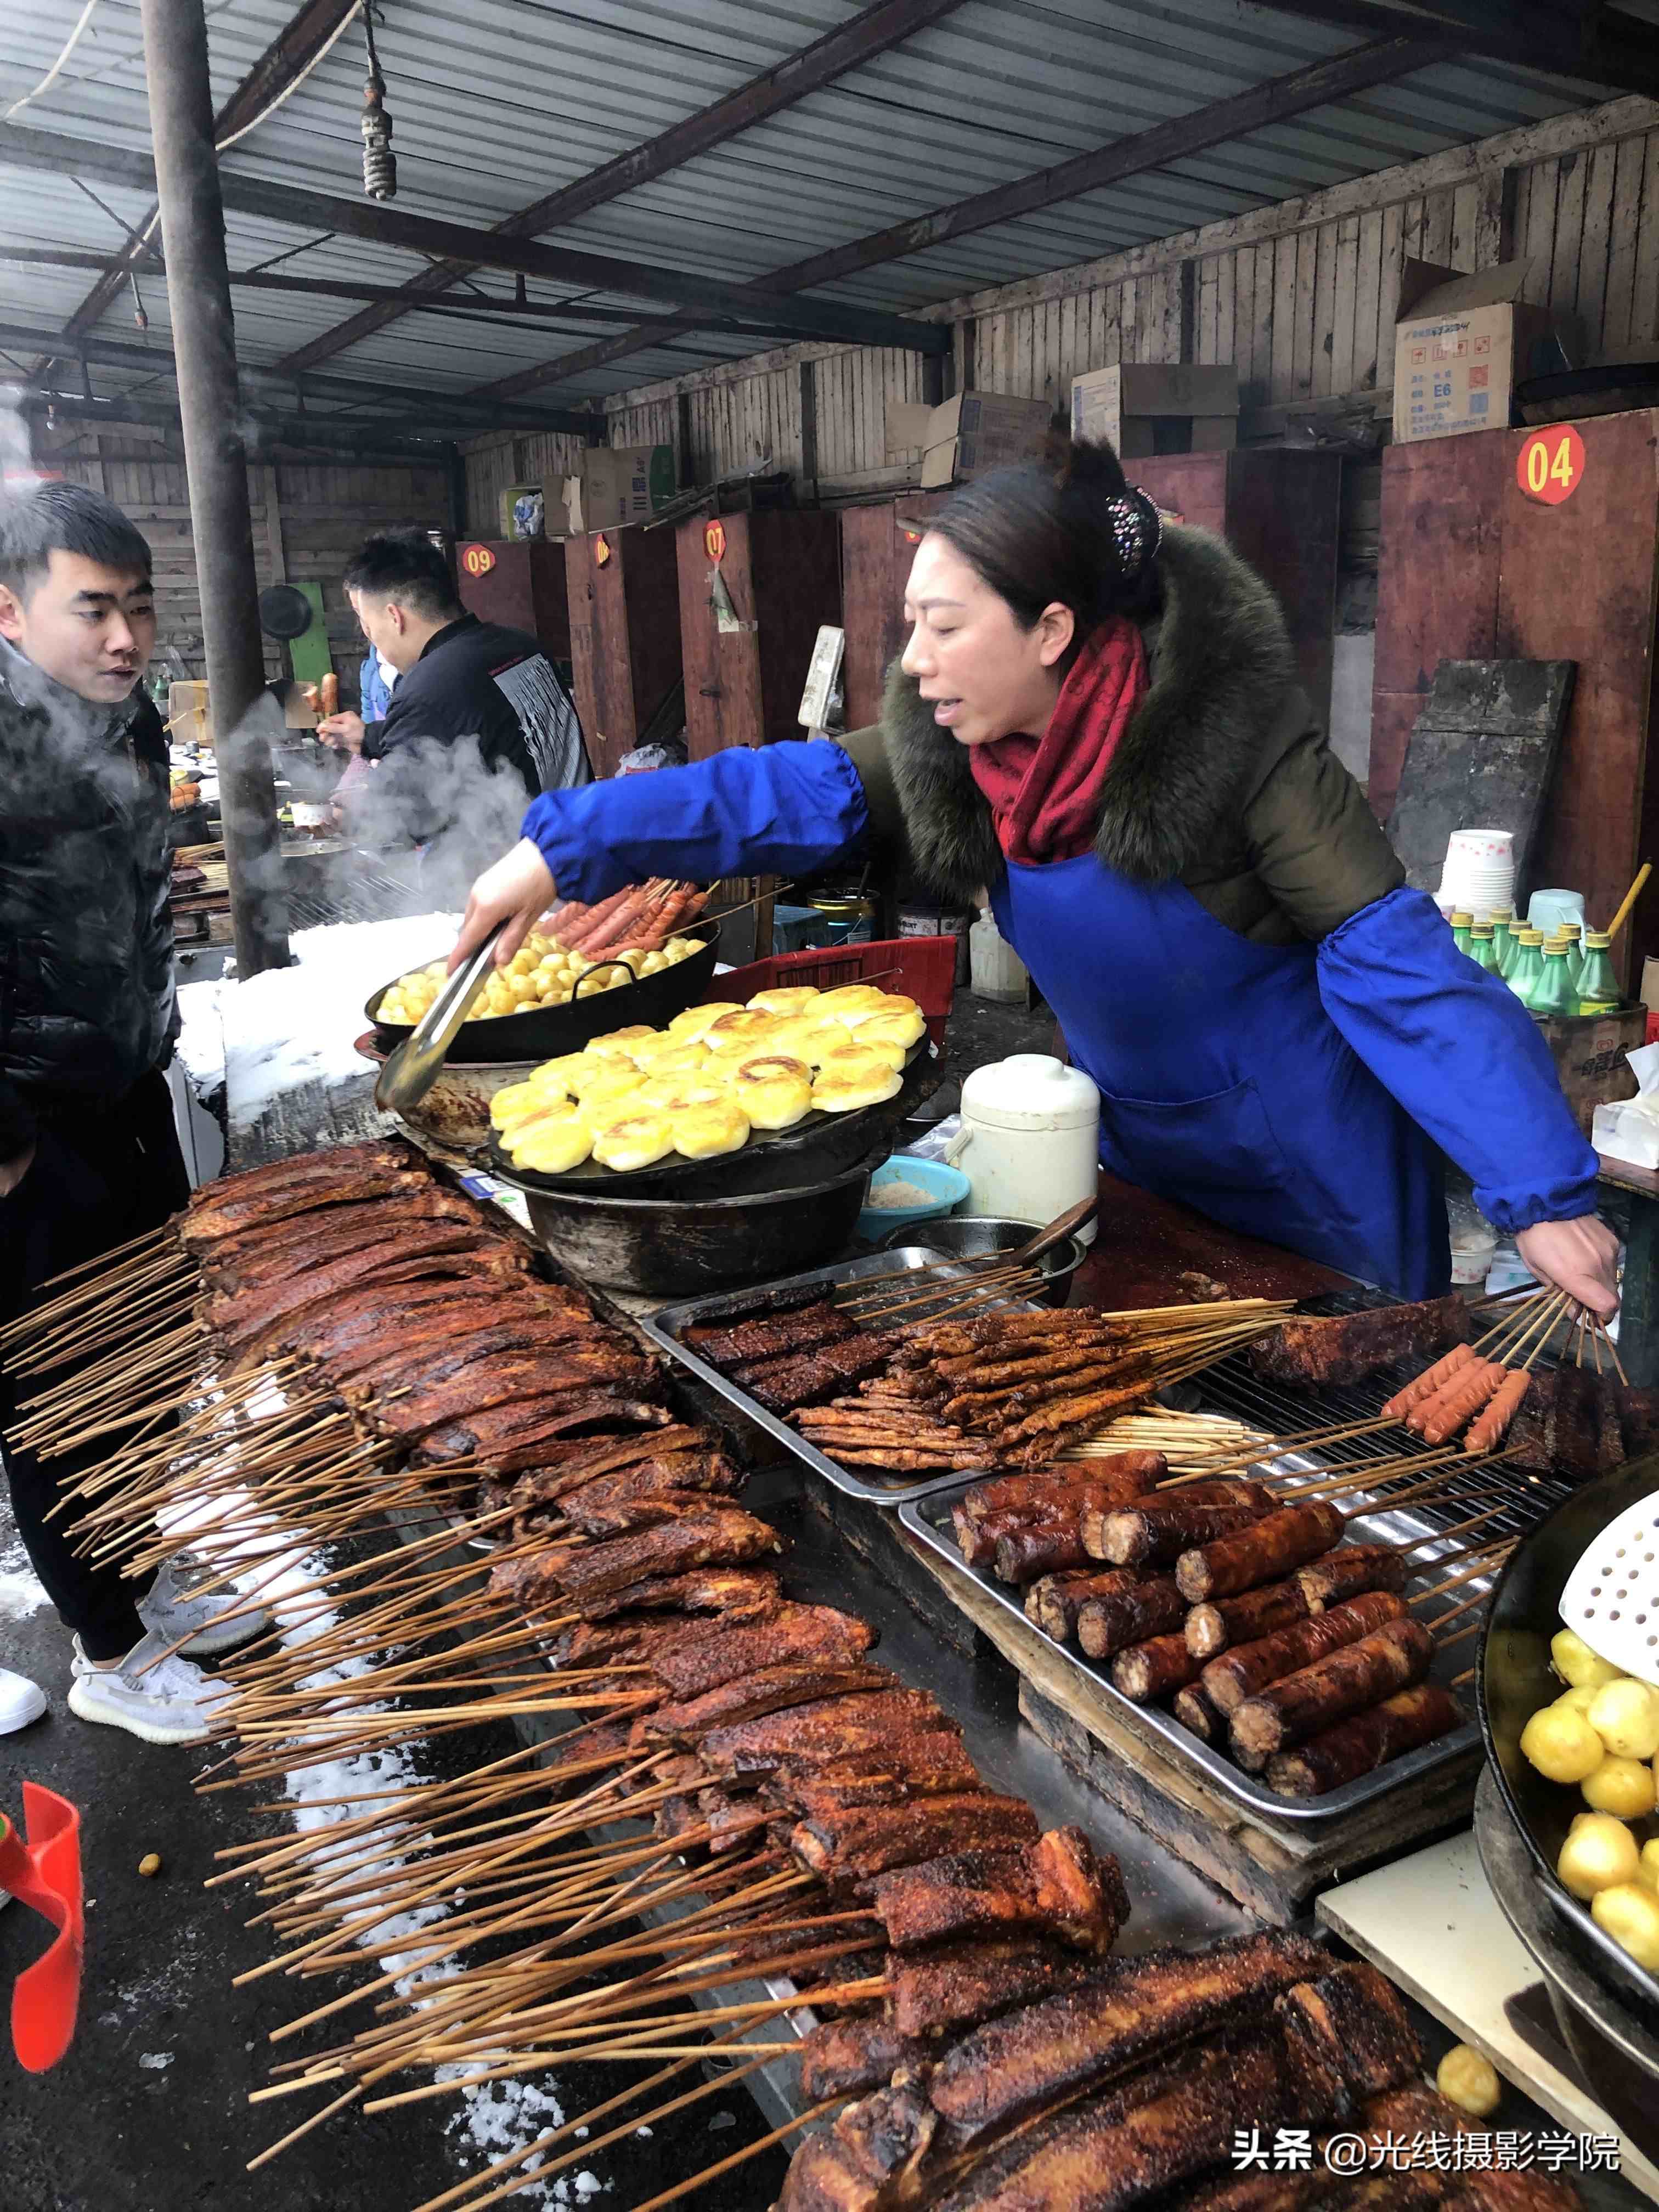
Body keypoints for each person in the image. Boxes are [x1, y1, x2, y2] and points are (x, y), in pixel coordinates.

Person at [449, 437, 1620, 1317]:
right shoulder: (961, 753)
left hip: (1320, 1178)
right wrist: (564, 844)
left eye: (945, 629)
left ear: (1053, 630)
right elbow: (783, 793)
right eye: (910, 624)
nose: (913, 662)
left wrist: (1543, 1189)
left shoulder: (1239, 748)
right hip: (1142, 1156)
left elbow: (1396, 962)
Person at [0, 480, 267, 1745]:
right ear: (10, 610)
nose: (125, 638)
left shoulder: (124, 719)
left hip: (122, 1091)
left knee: (151, 1357)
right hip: (26, 1137)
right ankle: (107, 1652)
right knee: (62, 1393)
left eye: (140, 612)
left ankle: (139, 1571)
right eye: (92, 610)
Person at [316, 529, 588, 808]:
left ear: (394, 617)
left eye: (366, 624)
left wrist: (345, 814)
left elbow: (407, 815)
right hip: (576, 826)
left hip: (523, 847)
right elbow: (474, 725)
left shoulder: (428, 689)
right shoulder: (522, 646)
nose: (369, 636)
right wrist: (368, 736)